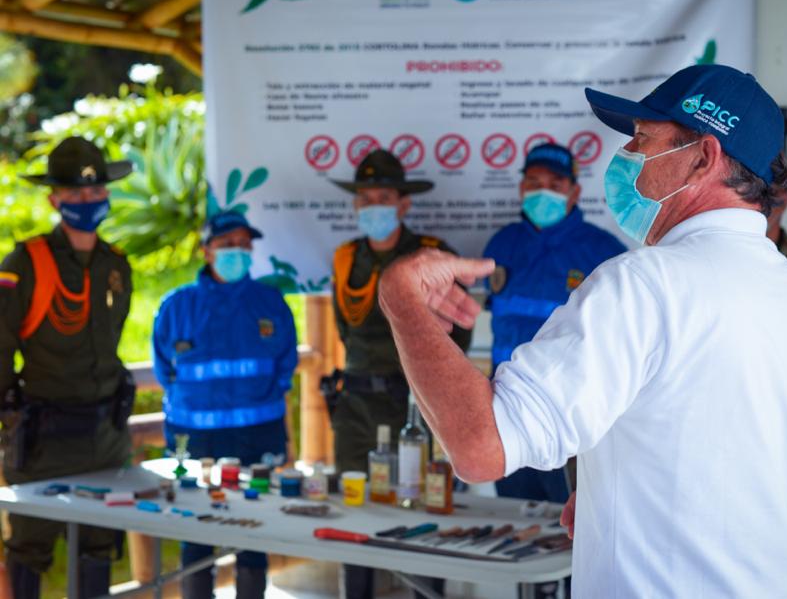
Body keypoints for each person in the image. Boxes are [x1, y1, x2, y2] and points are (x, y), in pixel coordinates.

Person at [375, 64, 787, 597]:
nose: (626, 159)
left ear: (703, 157)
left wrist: (403, 303)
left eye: (642, 140)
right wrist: (625, 488)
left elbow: (480, 446)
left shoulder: (644, 285)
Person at [324, 150, 471, 599]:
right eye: (365, 198)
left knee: (425, 511)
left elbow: (457, 335)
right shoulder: (346, 258)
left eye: (383, 197)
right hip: (355, 407)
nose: (373, 206)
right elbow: (344, 329)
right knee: (353, 510)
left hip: (415, 406)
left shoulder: (431, 256)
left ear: (404, 204)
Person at [0, 137, 135, 599]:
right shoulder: (26, 264)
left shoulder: (117, 266)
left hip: (106, 439)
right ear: (54, 198)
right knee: (30, 551)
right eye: (75, 194)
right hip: (44, 441)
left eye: (95, 192)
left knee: (99, 549)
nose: (87, 201)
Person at [152, 210, 297, 599]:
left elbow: (286, 364)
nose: (238, 251)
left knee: (254, 529)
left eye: (244, 244)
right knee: (195, 532)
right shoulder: (176, 306)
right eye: (227, 244)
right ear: (206, 250)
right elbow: (164, 370)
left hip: (256, 438)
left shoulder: (269, 302)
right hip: (196, 444)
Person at [484, 142, 625, 505]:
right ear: (520, 188)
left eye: (555, 183)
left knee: (570, 526)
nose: (541, 191)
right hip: (507, 407)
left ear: (575, 192)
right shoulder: (501, 245)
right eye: (533, 182)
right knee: (514, 515)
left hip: (571, 413)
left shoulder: (602, 252)